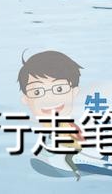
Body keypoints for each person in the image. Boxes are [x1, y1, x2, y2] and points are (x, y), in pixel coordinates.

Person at [19, 49, 84, 179]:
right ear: (25, 99)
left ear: (74, 92)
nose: (49, 99)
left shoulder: (68, 123)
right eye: (37, 92)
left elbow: (78, 135)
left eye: (59, 89)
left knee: (68, 159)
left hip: (74, 148)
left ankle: (76, 172)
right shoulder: (47, 123)